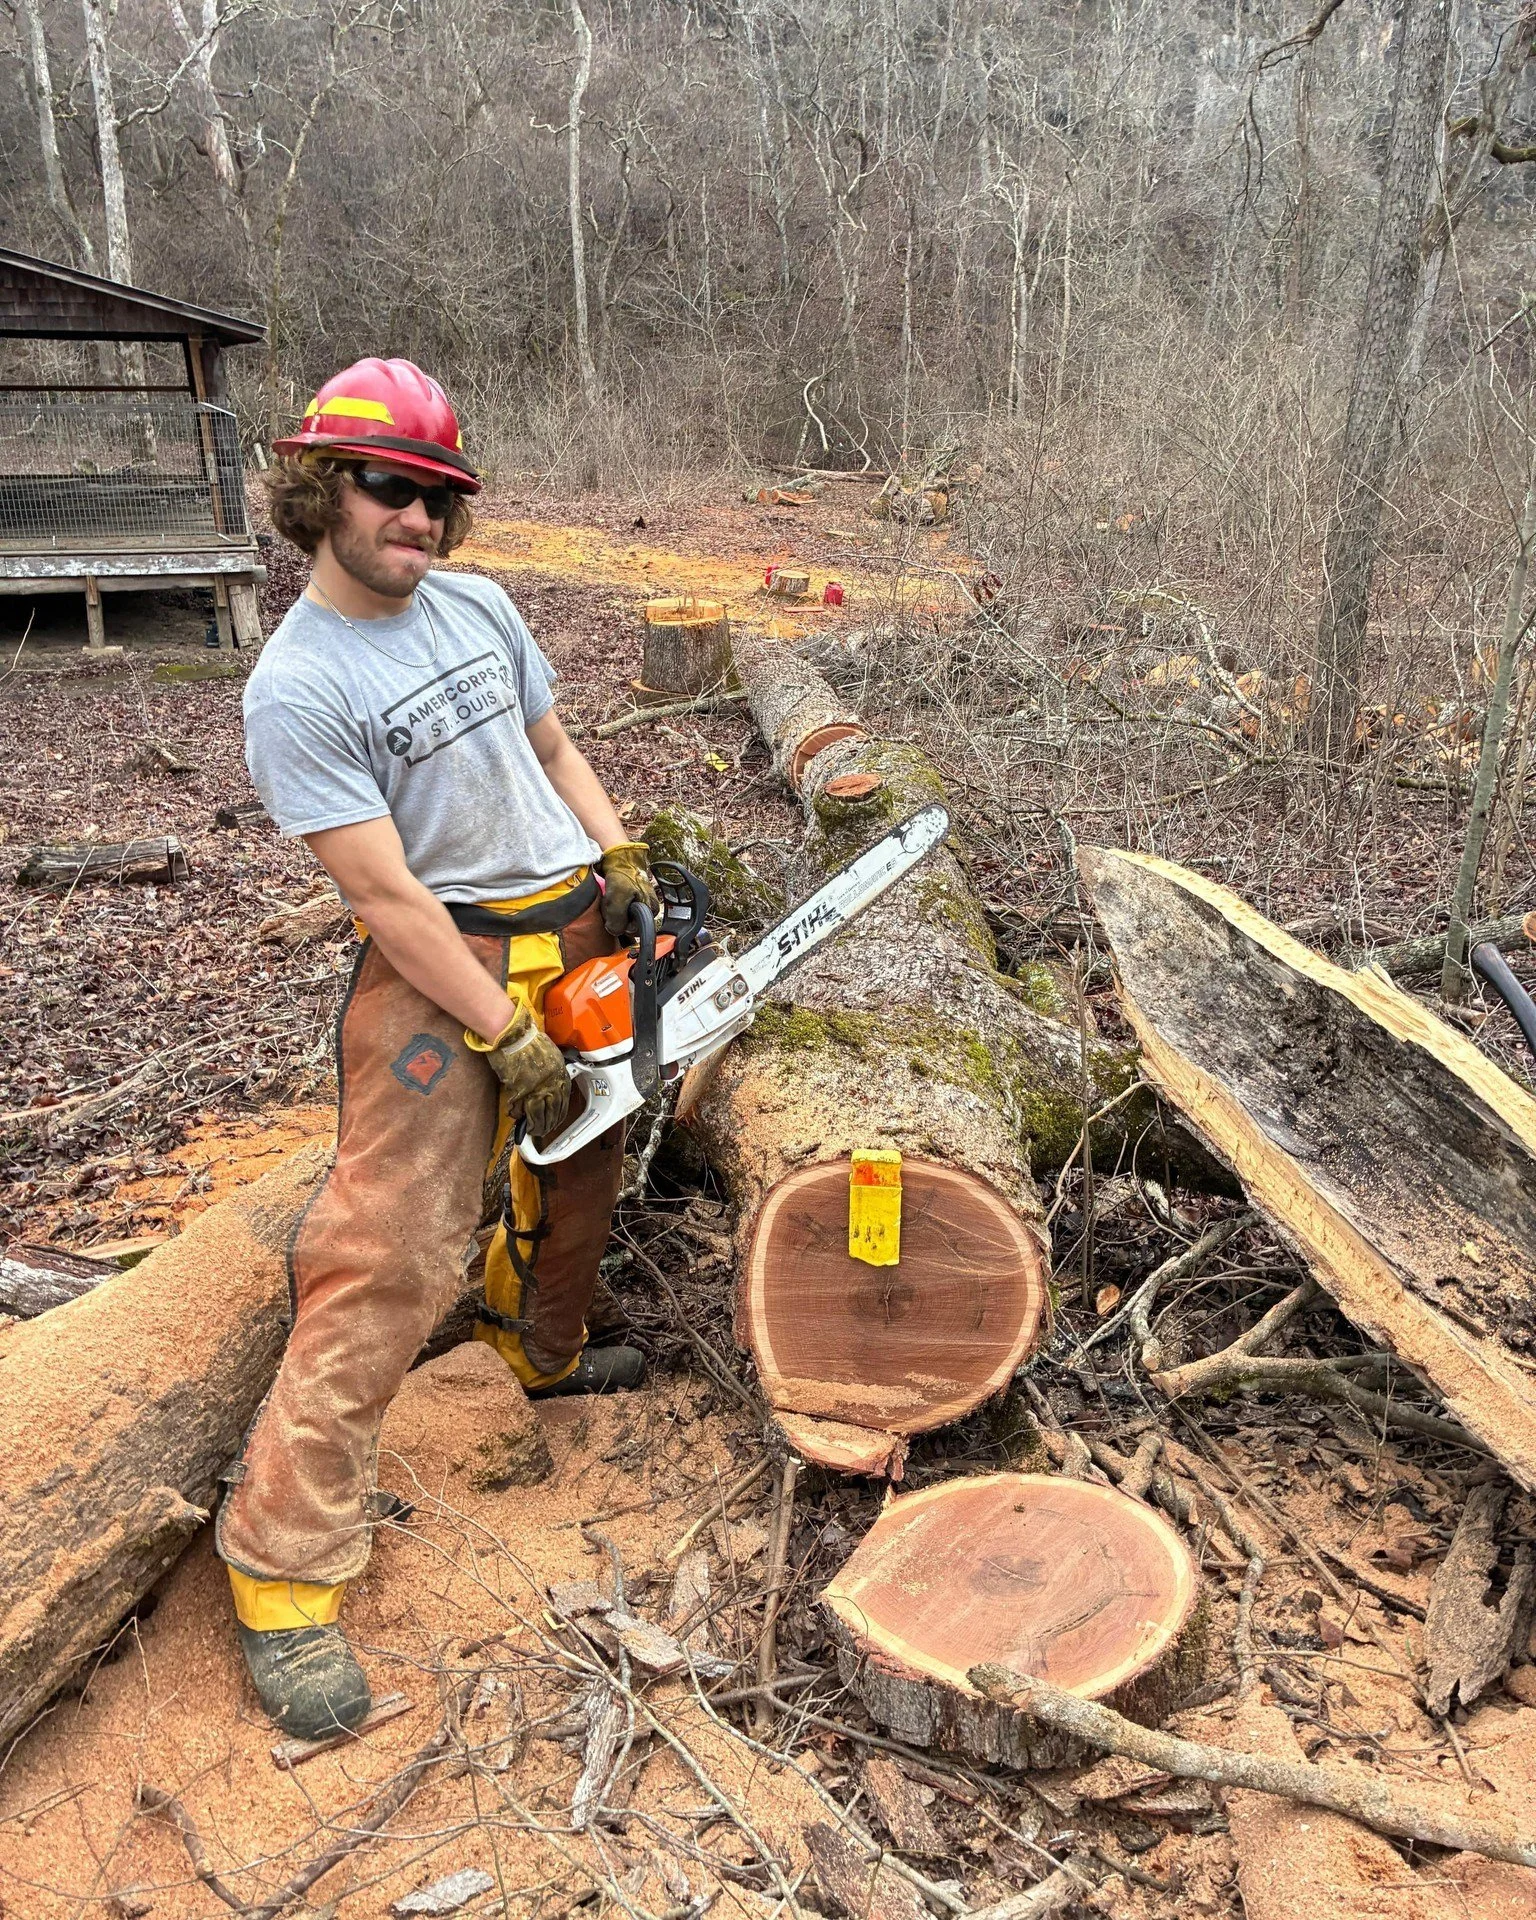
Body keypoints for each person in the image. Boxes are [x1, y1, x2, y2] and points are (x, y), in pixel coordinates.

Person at [219, 357, 658, 1740]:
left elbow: (552, 742)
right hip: (441, 966)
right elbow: (386, 898)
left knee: (586, 1158)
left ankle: (540, 1348)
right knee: (391, 1246)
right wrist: (498, 1030)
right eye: (391, 488)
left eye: (438, 497)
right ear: (320, 492)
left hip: (568, 923)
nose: (417, 518)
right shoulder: (299, 685)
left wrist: (615, 845)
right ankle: (282, 1568)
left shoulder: (477, 603)